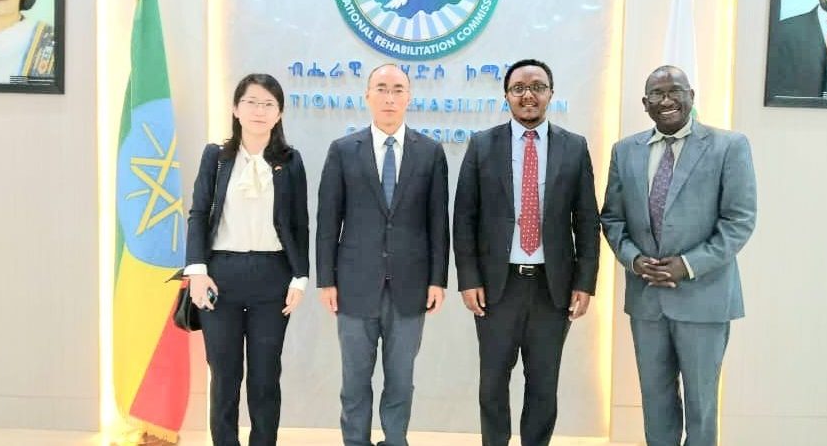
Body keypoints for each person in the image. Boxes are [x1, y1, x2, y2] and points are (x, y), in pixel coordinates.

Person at [600, 66, 757, 446]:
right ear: (645, 103)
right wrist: (634, 260)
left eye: (675, 91)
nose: (666, 100)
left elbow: (739, 221)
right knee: (655, 402)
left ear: (691, 96)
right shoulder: (625, 150)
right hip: (647, 299)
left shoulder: (729, 146)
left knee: (702, 406)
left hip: (704, 299)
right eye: (657, 93)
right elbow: (612, 218)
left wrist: (687, 266)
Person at [453, 58, 600, 446]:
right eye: (519, 88)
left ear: (551, 93)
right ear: (506, 96)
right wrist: (468, 279)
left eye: (537, 87)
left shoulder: (574, 147)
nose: (528, 95)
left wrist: (585, 282)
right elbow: (464, 217)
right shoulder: (482, 145)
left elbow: (587, 219)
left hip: (553, 288)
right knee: (492, 383)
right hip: (497, 287)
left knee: (543, 385)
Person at [316, 63, 449, 446]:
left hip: (410, 286)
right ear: (367, 96)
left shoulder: (430, 152)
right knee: (354, 381)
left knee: (401, 381)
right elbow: (328, 220)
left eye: (397, 89)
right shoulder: (343, 150)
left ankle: (395, 441)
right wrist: (326, 279)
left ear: (409, 97)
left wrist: (437, 279)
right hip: (354, 285)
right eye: (382, 88)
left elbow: (438, 222)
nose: (389, 97)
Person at [184, 73, 309, 446]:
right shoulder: (216, 158)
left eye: (269, 104)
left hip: (273, 277)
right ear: (236, 109)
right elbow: (198, 213)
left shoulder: (290, 161)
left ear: (279, 113)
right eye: (251, 102)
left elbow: (300, 223)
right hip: (220, 276)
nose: (259, 110)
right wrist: (197, 271)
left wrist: (300, 277)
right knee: (224, 375)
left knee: (265, 376)